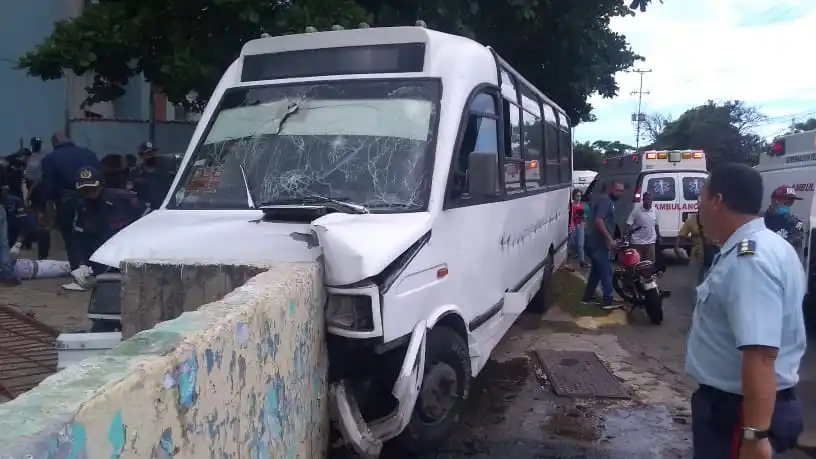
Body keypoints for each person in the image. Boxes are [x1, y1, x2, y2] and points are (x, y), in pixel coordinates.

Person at [686, 163, 805, 459]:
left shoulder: (748, 262)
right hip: (742, 408)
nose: (698, 207)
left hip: (739, 415)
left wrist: (755, 435)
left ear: (717, 201)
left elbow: (761, 355)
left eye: (701, 197)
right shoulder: (772, 246)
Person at [64, 166, 143, 291]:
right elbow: (80, 238)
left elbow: (126, 234)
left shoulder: (122, 200)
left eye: (93, 188)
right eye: (85, 190)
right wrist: (81, 264)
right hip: (102, 248)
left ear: (101, 185)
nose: (90, 193)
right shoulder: (82, 205)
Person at [41, 132, 101, 270]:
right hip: (93, 199)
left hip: (68, 203)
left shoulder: (50, 159)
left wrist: (49, 208)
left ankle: (78, 270)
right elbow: (101, 175)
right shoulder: (89, 153)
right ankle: (96, 267)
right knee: (94, 234)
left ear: (54, 143)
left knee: (72, 238)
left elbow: (49, 186)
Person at [581, 180, 624, 309]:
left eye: (622, 191)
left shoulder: (607, 201)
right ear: (610, 189)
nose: (620, 194)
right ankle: (608, 300)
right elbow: (599, 220)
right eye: (618, 190)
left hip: (594, 242)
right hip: (597, 242)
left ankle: (588, 297)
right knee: (606, 271)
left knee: (596, 272)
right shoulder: (605, 201)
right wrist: (609, 238)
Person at [3, 185, 50, 260]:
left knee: (44, 234)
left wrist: (18, 244)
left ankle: (42, 261)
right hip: (3, 235)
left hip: (14, 233)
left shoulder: (14, 201)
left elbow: (24, 223)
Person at [675, 213, 719, 284]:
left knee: (711, 283)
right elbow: (681, 236)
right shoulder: (692, 220)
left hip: (713, 256)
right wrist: (677, 249)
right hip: (697, 257)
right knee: (696, 283)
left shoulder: (716, 218)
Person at [131, 141, 175, 212]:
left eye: (153, 153)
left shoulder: (166, 170)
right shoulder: (136, 173)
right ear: (142, 156)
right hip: (147, 210)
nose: (151, 156)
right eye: (148, 154)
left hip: (167, 207)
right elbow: (134, 194)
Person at [763, 185, 804, 251]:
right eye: (786, 203)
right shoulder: (759, 219)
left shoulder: (797, 223)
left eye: (791, 203)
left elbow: (795, 247)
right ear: (775, 201)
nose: (789, 206)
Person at [624, 191, 659, 262]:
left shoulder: (655, 210)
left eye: (650, 199)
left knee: (649, 264)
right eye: (646, 199)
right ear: (643, 200)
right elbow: (629, 223)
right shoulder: (636, 210)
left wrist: (659, 236)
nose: (648, 201)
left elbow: (656, 225)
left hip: (650, 242)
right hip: (637, 242)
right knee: (636, 263)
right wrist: (625, 235)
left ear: (652, 201)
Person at [570, 189, 588, 268]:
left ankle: (582, 261)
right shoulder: (571, 205)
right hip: (573, 226)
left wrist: (584, 217)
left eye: (580, 196)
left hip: (580, 224)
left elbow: (584, 215)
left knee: (580, 244)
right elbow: (570, 216)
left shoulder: (581, 205)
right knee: (572, 243)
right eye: (577, 196)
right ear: (573, 196)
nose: (579, 198)